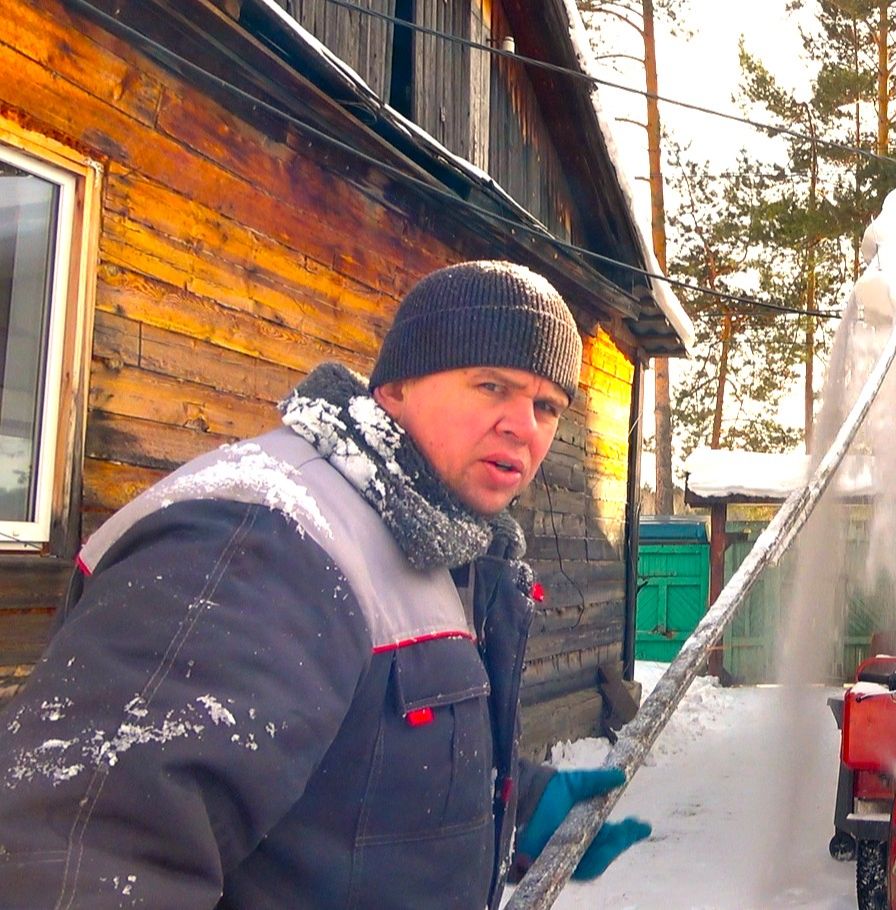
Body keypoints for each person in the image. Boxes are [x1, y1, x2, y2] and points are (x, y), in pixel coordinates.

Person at [0, 261, 648, 908]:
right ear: (394, 389)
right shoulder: (267, 540)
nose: (522, 425)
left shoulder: (430, 540)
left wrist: (522, 807)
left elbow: (360, 774)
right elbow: (83, 852)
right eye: (490, 385)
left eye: (546, 406)